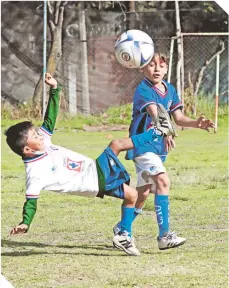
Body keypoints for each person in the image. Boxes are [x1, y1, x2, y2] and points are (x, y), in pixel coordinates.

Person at [6, 73, 162, 257]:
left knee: (132, 195)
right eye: (35, 136)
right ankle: (157, 132)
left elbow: (50, 118)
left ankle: (123, 233)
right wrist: (25, 222)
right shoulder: (35, 172)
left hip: (94, 170)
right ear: (27, 150)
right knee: (116, 145)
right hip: (93, 182)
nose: (40, 135)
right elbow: (31, 202)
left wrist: (55, 89)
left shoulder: (43, 144)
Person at [113, 51, 215, 250]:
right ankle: (164, 236)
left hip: (157, 149)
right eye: (151, 65)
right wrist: (166, 131)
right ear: (142, 68)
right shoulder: (143, 89)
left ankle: (123, 228)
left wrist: (196, 123)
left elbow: (178, 117)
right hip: (143, 146)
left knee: (142, 193)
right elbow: (155, 113)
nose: (157, 68)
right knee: (163, 181)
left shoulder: (169, 89)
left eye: (161, 64)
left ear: (167, 67)